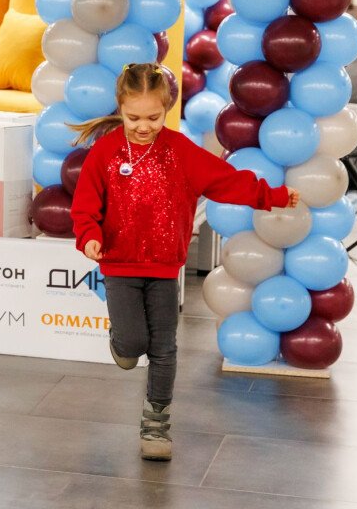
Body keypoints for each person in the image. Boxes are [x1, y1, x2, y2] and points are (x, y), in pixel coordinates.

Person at [69, 63, 300, 462]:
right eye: (134, 118)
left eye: (153, 117)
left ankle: (156, 423)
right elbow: (85, 206)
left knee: (164, 348)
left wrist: (273, 196)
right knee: (133, 344)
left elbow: (226, 180)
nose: (144, 126)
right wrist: (89, 236)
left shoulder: (179, 151)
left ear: (167, 110)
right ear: (120, 108)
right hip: (119, 266)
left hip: (164, 268)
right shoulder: (105, 153)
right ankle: (122, 342)